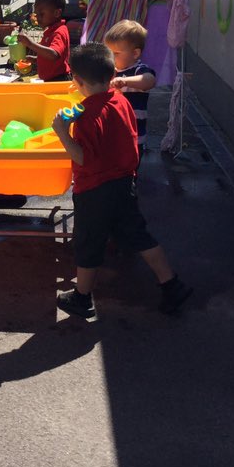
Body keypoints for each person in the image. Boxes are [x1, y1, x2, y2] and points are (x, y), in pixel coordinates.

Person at [51, 42, 191, 319]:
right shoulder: (120, 100)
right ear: (112, 72)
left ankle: (82, 297)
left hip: (94, 190)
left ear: (77, 80)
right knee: (138, 234)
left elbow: (82, 158)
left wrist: (62, 132)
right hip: (124, 183)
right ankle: (172, 284)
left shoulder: (88, 117)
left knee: (89, 242)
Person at [104, 19, 156, 152]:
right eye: (108, 52)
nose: (110, 57)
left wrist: (125, 81)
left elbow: (149, 80)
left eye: (115, 53)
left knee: (130, 168)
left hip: (134, 135)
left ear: (135, 53)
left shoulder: (139, 70)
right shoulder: (110, 71)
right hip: (113, 132)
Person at [16, 0, 71, 82]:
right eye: (37, 15)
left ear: (57, 13)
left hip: (58, 80)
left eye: (42, 14)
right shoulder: (50, 30)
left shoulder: (59, 32)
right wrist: (37, 59)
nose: (38, 18)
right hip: (51, 79)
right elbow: (51, 57)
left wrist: (30, 44)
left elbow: (54, 55)